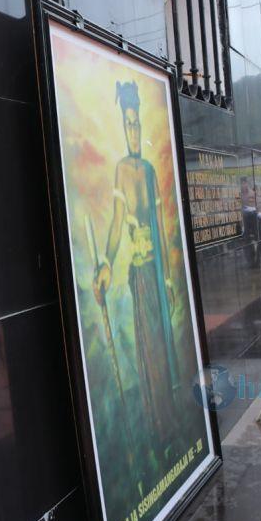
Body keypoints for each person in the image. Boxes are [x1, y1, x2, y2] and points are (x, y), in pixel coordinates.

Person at [93, 80, 179, 445]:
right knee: (149, 349)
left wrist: (172, 279)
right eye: (128, 123)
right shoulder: (122, 171)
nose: (133, 130)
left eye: (137, 124)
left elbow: (160, 228)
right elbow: (115, 224)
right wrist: (107, 263)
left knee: (165, 345)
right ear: (121, 126)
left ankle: (170, 418)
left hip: (158, 274)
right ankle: (158, 428)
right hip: (139, 274)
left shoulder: (148, 171)